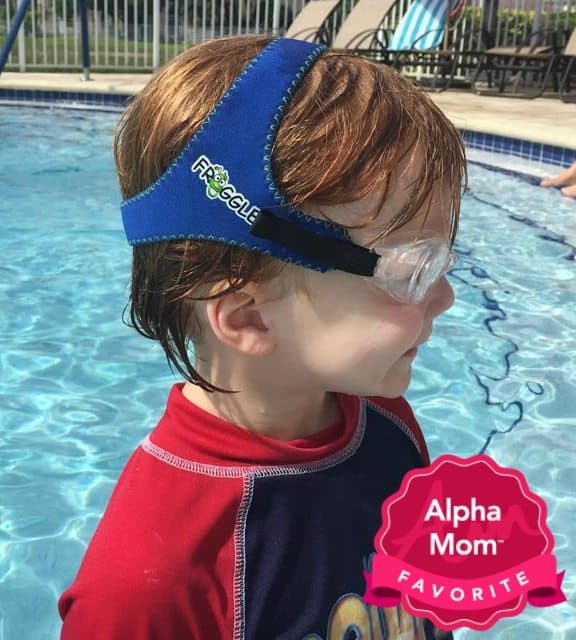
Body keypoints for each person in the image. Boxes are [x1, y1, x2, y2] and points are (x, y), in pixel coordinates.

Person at [58, 35, 465, 639]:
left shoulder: (388, 423)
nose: (445, 296)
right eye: (412, 271)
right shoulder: (148, 584)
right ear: (246, 316)